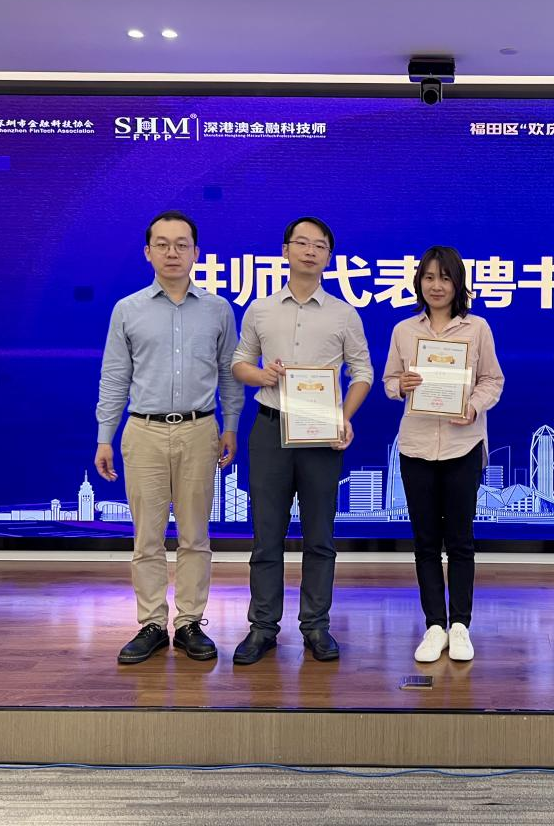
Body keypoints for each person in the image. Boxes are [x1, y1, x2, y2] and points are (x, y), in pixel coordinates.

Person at [95, 210, 243, 665]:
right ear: (148, 252)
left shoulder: (218, 309)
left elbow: (229, 374)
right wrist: (104, 436)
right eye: (162, 244)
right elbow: (114, 377)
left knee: (196, 536)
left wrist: (231, 425)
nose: (172, 252)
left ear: (196, 252)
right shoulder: (128, 309)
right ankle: (153, 625)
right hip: (143, 431)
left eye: (182, 244)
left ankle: (191, 622)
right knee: (148, 538)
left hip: (200, 430)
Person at [230, 217, 372, 664]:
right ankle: (262, 628)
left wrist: (343, 417)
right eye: (302, 243)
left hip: (321, 435)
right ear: (285, 250)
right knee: (266, 536)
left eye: (320, 245)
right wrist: (261, 375)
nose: (310, 251)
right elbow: (239, 362)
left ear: (329, 256)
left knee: (319, 537)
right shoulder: (261, 309)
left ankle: (316, 626)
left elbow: (363, 372)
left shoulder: (343, 314)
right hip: (270, 428)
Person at [382, 246, 504, 663]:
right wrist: (401, 385)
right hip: (416, 446)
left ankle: (461, 625)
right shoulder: (403, 330)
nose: (437, 286)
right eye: (429, 277)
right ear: (419, 282)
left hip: (462, 445)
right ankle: (434, 625)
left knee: (461, 541)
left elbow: (493, 380)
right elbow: (389, 381)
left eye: (445, 278)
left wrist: (473, 406)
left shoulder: (477, 328)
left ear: (458, 284)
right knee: (425, 542)